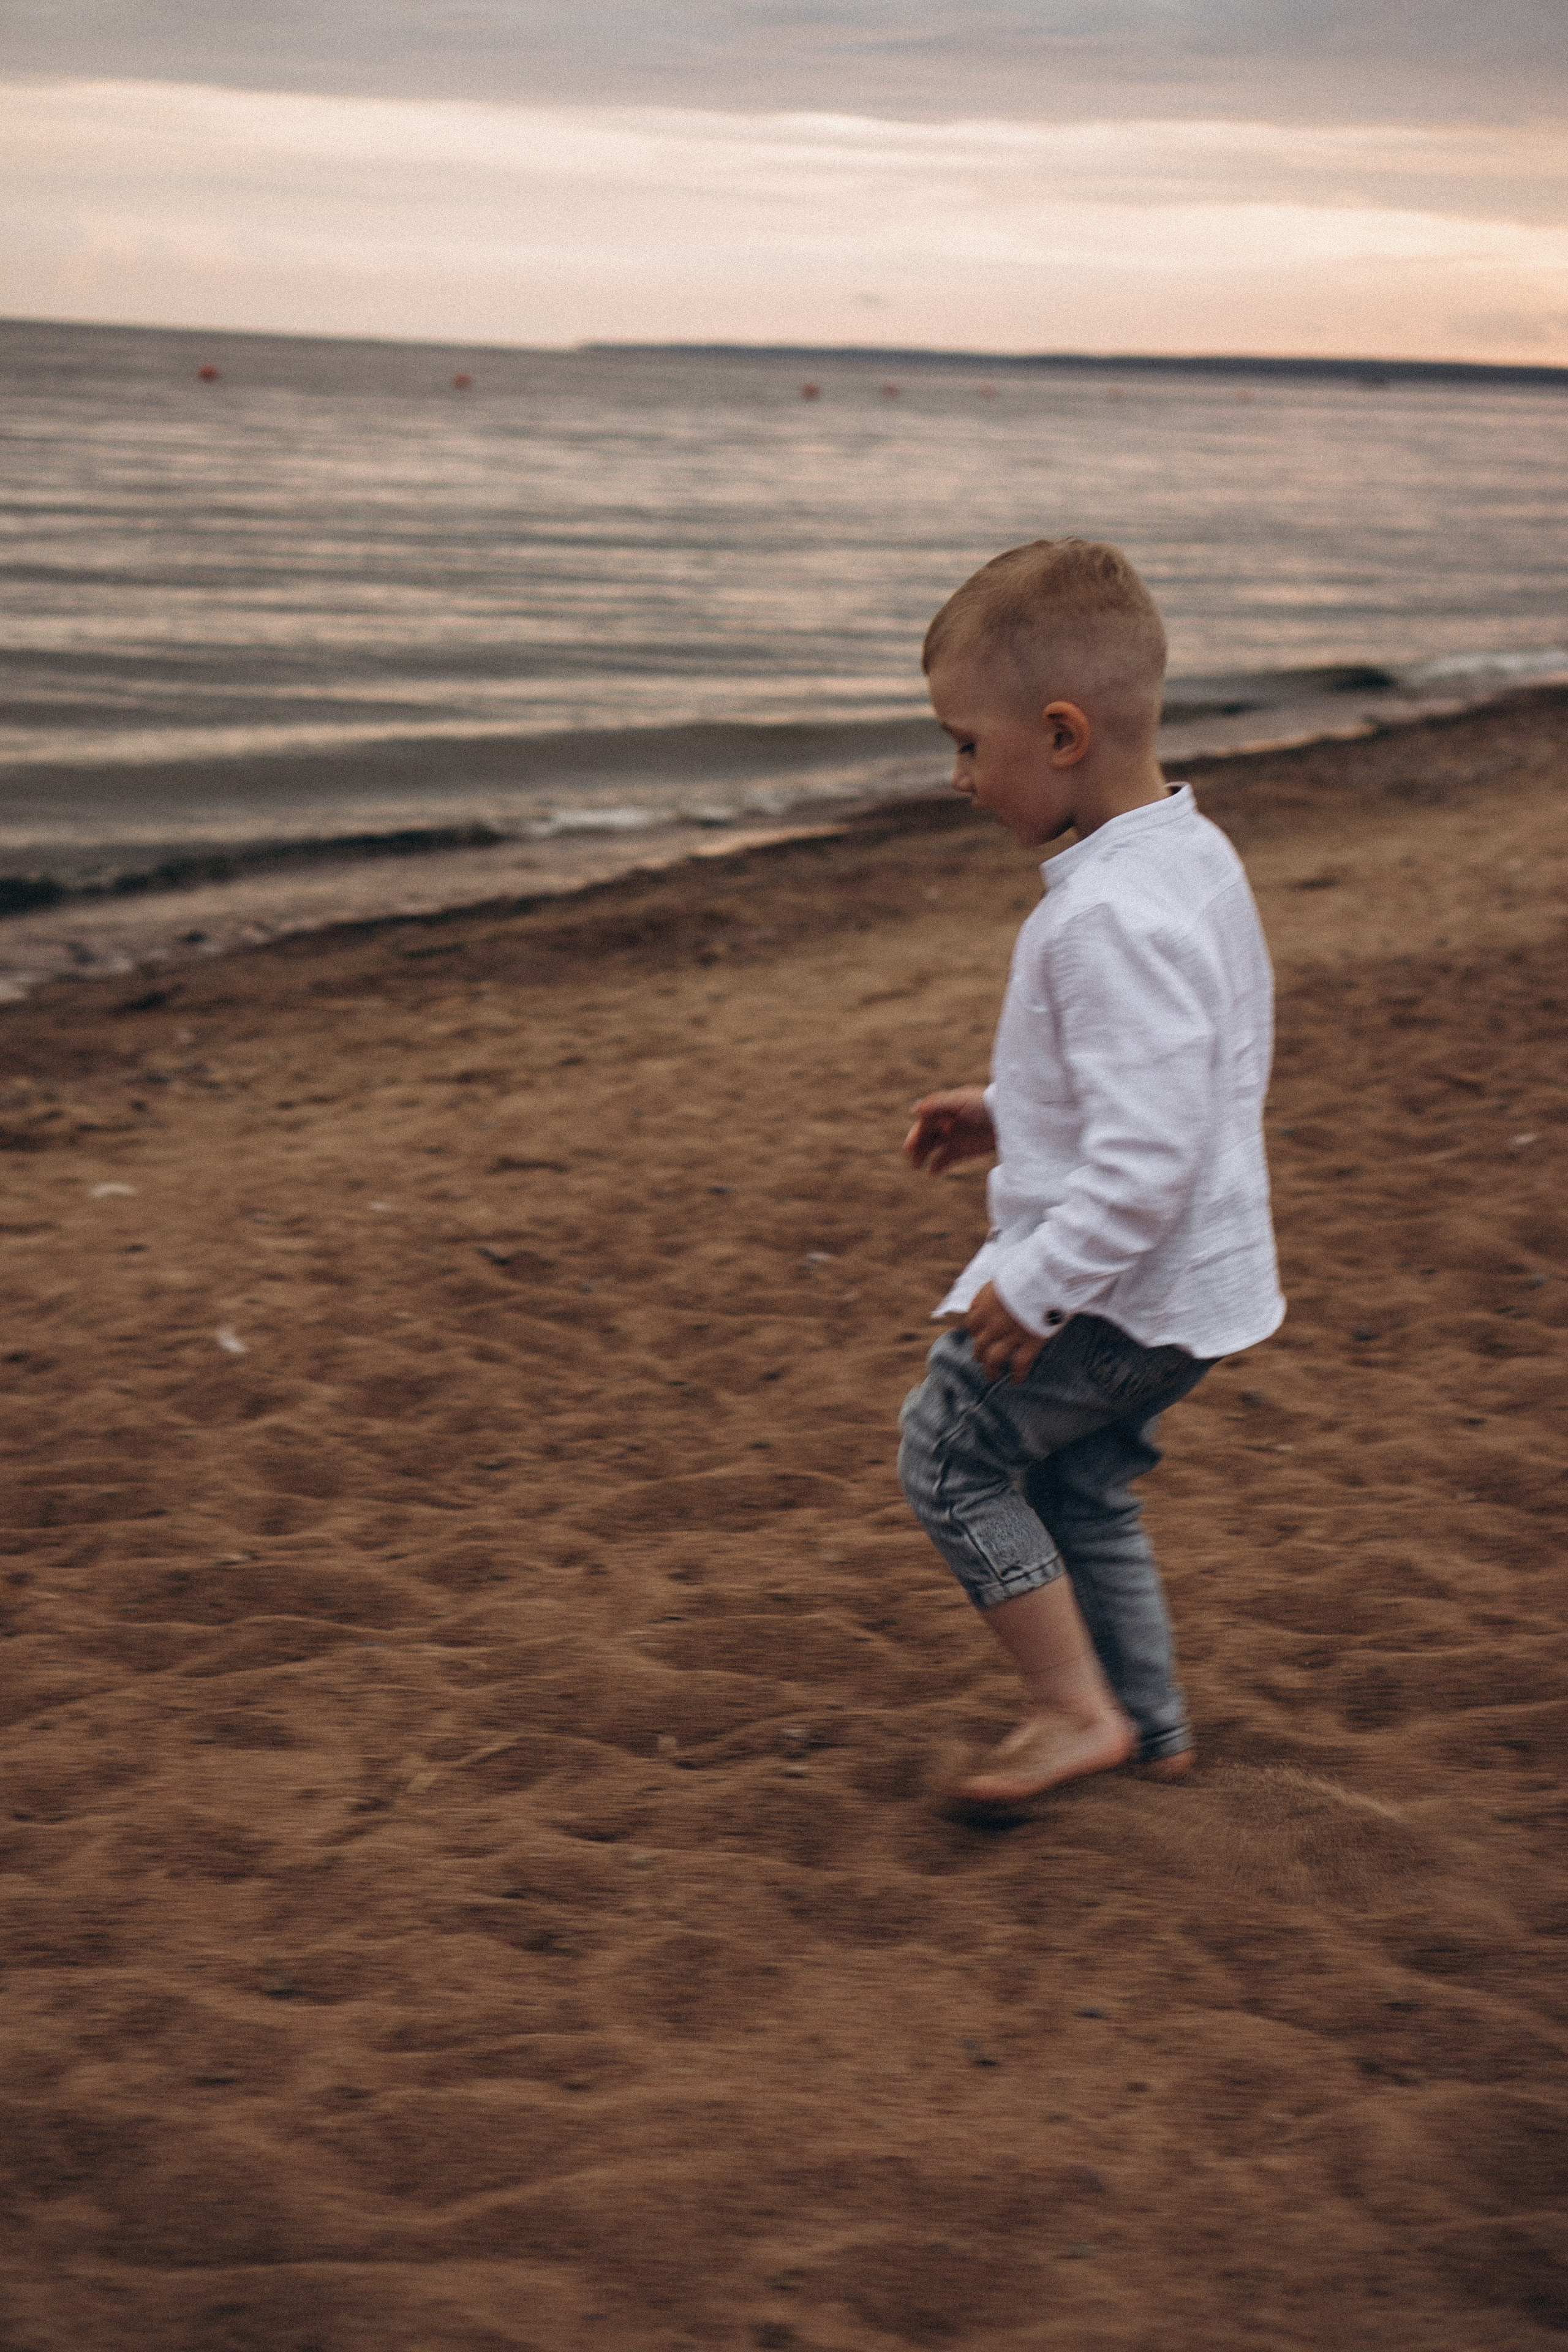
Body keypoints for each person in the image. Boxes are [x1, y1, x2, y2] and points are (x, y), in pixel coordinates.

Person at [897, 539, 1283, 1807]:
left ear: (1059, 733)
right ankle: (1149, 1728)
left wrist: (1040, 1280)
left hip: (1118, 1287)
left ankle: (1072, 1711)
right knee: (1078, 1486)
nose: (956, 778)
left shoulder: (1101, 916)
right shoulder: (1188, 856)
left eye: (965, 744)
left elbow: (1147, 1151)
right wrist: (1010, 1112)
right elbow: (1163, 1081)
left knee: (947, 1451)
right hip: (1192, 1291)